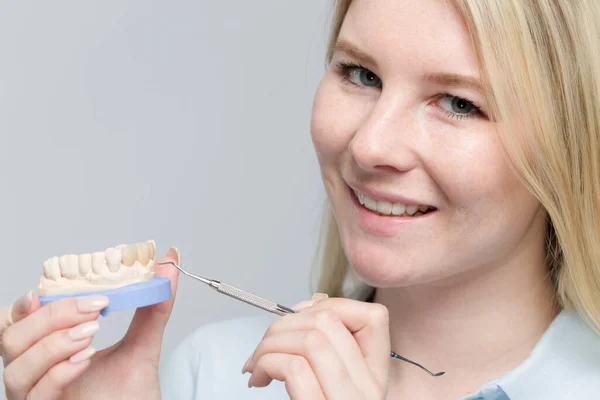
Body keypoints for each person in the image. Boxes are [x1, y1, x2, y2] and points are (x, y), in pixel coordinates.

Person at [2, 0, 600, 398]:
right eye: (361, 75)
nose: (370, 147)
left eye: (460, 103)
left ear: (572, 140)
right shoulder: (212, 373)